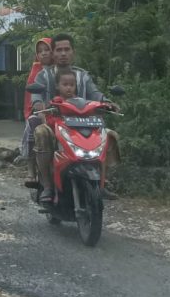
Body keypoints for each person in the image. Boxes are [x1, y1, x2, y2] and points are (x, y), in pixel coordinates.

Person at [32, 33, 121, 203]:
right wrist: (39, 105)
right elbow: (36, 96)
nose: (63, 53)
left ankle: (102, 181)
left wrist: (107, 102)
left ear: (73, 52)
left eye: (67, 49)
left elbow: (95, 94)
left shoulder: (83, 76)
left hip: (84, 124)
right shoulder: (43, 76)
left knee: (111, 135)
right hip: (53, 123)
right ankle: (47, 185)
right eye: (59, 50)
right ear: (53, 53)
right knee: (41, 133)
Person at [20, 38, 53, 179]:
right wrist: (38, 107)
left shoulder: (64, 70)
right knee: (32, 127)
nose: (44, 54)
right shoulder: (37, 73)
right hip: (42, 112)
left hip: (63, 112)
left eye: (47, 50)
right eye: (40, 51)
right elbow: (32, 95)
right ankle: (31, 168)